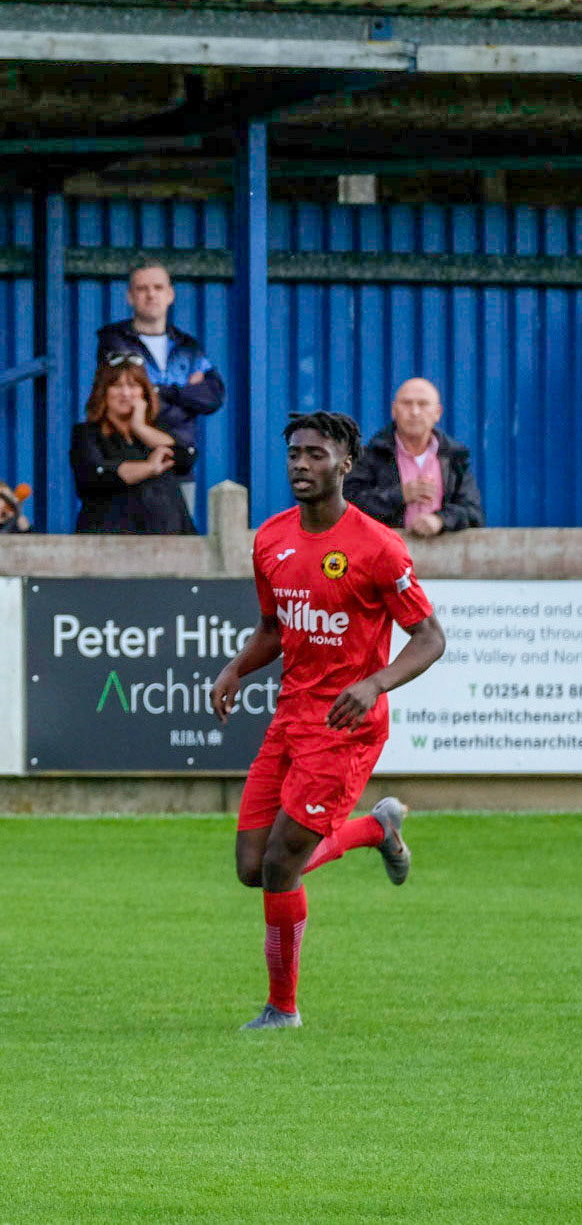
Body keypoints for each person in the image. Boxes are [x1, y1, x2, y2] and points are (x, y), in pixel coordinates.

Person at [210, 412, 445, 1031]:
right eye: (294, 453)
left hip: (346, 728)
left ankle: (282, 1009)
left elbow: (430, 638)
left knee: (281, 867)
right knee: (252, 868)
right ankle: (375, 829)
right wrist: (236, 668)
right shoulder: (271, 538)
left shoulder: (378, 547)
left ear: (345, 464)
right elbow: (273, 629)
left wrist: (374, 683)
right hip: (290, 718)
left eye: (315, 454)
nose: (300, 463)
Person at [96, 259, 226, 509]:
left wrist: (160, 392)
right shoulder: (114, 341)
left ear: (170, 294)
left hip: (179, 461)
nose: (151, 294)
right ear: (130, 296)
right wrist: (187, 395)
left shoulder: (188, 346)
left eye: (157, 287)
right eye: (142, 288)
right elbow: (124, 401)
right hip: (130, 460)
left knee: (180, 533)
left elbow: (214, 396)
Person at [70, 356, 195, 535]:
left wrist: (140, 428)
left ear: (144, 393)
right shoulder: (87, 434)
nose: (126, 393)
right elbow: (94, 473)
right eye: (117, 385)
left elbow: (186, 456)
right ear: (103, 392)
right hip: (110, 541)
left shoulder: (156, 432)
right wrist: (149, 468)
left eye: (133, 385)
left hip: (171, 541)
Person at [344, 377, 484, 538]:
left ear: (438, 413)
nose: (414, 412)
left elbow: (473, 512)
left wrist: (440, 520)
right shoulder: (371, 455)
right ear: (394, 410)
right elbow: (349, 505)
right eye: (407, 403)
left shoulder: (454, 457)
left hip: (444, 552)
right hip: (384, 550)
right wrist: (400, 495)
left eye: (423, 404)